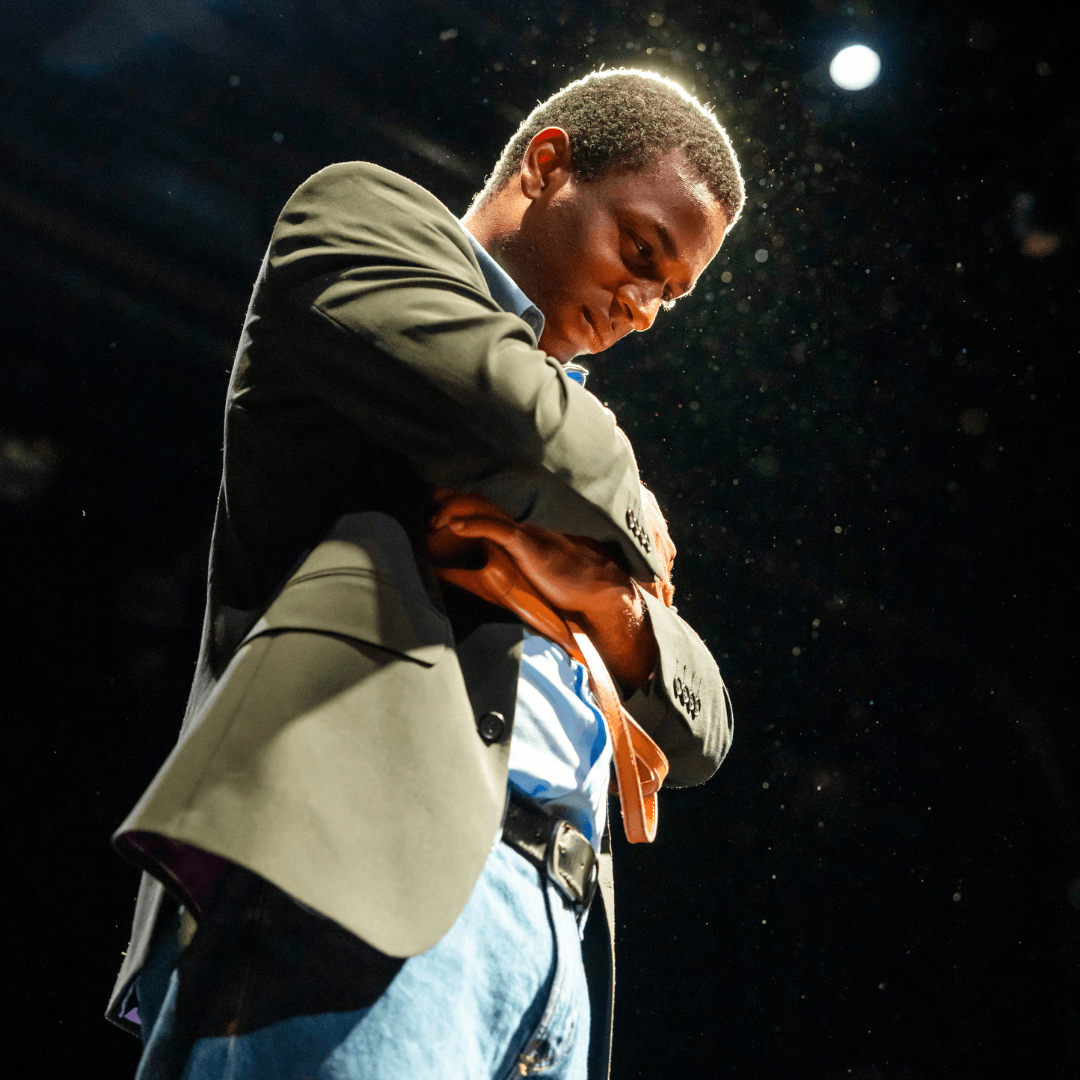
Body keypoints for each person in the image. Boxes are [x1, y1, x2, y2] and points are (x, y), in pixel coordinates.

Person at [107, 68, 744, 1079]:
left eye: (668, 295)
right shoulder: (365, 218)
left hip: (555, 956)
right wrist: (623, 493)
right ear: (547, 166)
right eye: (640, 251)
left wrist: (612, 604)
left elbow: (704, 728)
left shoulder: (577, 467)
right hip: (364, 867)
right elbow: (526, 431)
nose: (642, 308)